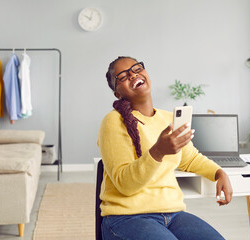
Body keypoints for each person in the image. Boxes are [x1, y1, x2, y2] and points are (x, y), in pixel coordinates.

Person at [97, 56, 233, 240]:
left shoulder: (168, 119)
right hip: (127, 218)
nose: (132, 74)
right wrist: (158, 151)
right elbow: (124, 184)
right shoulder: (113, 122)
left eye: (136, 69)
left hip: (173, 215)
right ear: (117, 93)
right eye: (123, 76)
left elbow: (190, 158)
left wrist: (218, 173)